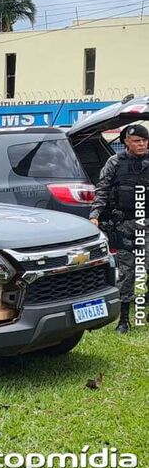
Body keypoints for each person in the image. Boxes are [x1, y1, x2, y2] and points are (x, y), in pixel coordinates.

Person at [90, 123, 149, 334]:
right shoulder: (115, 162)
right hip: (124, 224)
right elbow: (102, 189)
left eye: (144, 140)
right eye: (136, 141)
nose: (141, 144)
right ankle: (124, 319)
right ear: (126, 142)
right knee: (127, 270)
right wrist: (94, 215)